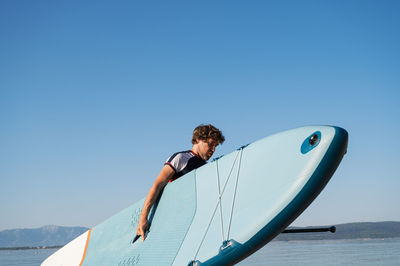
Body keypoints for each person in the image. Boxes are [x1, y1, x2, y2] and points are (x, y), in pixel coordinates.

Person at [136, 124, 225, 241]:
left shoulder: (206, 167)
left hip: (192, 221)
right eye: (211, 144)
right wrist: (143, 218)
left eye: (215, 146)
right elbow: (157, 185)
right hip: (174, 220)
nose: (213, 150)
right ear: (198, 140)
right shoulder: (181, 158)